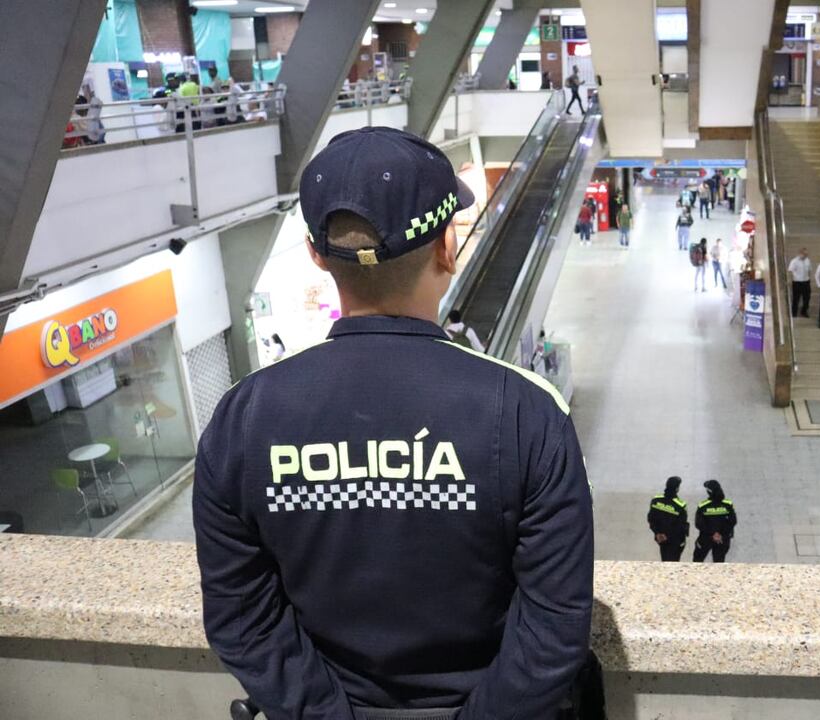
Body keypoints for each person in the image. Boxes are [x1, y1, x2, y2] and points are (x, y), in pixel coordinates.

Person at [194, 126, 593, 719]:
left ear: (315, 256)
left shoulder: (242, 418)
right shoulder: (525, 412)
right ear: (446, 249)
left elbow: (241, 617)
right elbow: (555, 625)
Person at [692, 480, 736, 563]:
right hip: (722, 539)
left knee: (697, 560)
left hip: (705, 538)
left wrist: (713, 534)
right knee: (719, 562)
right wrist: (720, 534)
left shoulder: (703, 505)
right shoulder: (728, 504)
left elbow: (699, 524)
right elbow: (733, 521)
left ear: (709, 492)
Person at [648, 476, 689, 562]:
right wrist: (667, 536)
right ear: (677, 488)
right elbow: (680, 526)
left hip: (661, 539)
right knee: (673, 563)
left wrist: (658, 533)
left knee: (664, 560)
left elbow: (651, 518)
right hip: (675, 540)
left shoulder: (656, 500)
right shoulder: (680, 505)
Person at [787, 248, 812, 318]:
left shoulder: (808, 260)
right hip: (797, 282)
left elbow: (810, 270)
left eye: (807, 254)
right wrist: (790, 280)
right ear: (800, 254)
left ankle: (804, 311)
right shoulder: (794, 261)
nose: (806, 256)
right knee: (796, 298)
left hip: (806, 282)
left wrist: (809, 278)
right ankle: (794, 312)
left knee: (807, 298)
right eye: (805, 254)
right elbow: (790, 271)